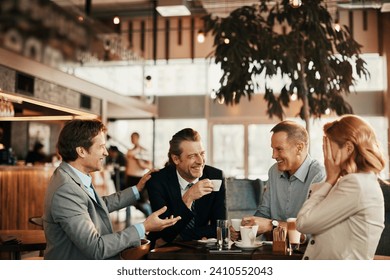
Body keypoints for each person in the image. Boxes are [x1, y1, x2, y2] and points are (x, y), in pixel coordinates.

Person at [42, 119, 180, 260]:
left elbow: (98, 206)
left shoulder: (73, 176)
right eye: (101, 146)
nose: (106, 152)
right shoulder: (66, 190)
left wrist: (137, 189)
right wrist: (144, 227)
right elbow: (96, 248)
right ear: (81, 151)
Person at [296, 115, 386, 260]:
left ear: (348, 148)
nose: (326, 157)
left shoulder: (356, 185)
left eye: (329, 148)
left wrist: (330, 179)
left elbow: (303, 223)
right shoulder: (361, 182)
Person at [232, 120, 326, 239]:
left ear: (299, 148)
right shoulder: (274, 171)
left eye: (279, 149)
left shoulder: (319, 175)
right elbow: (264, 212)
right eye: (273, 149)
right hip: (275, 251)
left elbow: (311, 231)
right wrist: (245, 228)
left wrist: (272, 225)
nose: (273, 155)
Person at [146, 128, 226, 246]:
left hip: (201, 249)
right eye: (192, 156)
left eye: (202, 153)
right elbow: (165, 232)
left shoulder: (215, 176)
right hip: (162, 253)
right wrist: (188, 198)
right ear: (176, 159)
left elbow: (220, 227)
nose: (200, 161)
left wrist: (181, 236)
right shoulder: (157, 181)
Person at [124, 132, 153, 226]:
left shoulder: (144, 151)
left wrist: (139, 161)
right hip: (130, 178)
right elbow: (128, 164)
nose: (132, 140)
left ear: (138, 138)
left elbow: (149, 165)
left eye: (134, 138)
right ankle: (127, 225)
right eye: (131, 138)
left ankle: (151, 220)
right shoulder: (129, 151)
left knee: (142, 202)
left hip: (139, 178)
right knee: (127, 202)